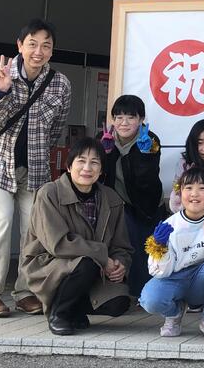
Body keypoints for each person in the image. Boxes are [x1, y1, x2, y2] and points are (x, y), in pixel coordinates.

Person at [0, 18, 72, 318]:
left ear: (52, 50)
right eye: (32, 44)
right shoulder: (0, 75)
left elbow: (56, 129)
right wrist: (1, 93)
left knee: (33, 231)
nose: (38, 51)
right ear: (20, 46)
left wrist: (37, 152)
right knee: (0, 222)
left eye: (46, 46)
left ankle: (26, 292)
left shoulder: (60, 83)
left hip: (35, 169)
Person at [20, 138, 132, 335]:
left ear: (101, 170)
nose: (87, 168)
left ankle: (76, 309)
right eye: (81, 161)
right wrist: (102, 257)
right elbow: (57, 243)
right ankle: (59, 314)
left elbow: (121, 245)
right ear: (69, 166)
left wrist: (120, 263)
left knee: (118, 302)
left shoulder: (111, 198)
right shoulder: (49, 193)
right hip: (48, 264)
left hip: (92, 269)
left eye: (94, 162)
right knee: (86, 263)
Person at [139, 167, 204, 342]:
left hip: (202, 278)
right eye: (188, 188)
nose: (194, 194)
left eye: (202, 188)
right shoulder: (171, 224)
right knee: (149, 299)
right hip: (176, 278)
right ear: (180, 192)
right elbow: (161, 272)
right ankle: (174, 314)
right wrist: (161, 247)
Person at [99, 95, 163, 298]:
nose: (123, 123)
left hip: (147, 204)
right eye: (118, 117)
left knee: (147, 251)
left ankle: (145, 295)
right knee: (125, 244)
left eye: (130, 117)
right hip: (119, 204)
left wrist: (144, 156)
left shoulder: (150, 140)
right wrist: (105, 154)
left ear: (141, 119)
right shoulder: (105, 138)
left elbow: (147, 182)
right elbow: (99, 176)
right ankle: (124, 291)